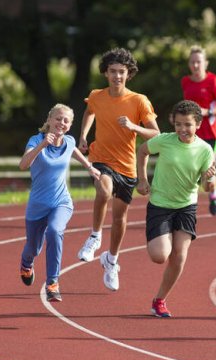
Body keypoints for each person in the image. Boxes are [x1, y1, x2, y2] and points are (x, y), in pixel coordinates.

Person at [76, 47, 160, 292]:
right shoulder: (97, 96)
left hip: (127, 166)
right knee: (103, 190)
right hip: (101, 158)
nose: (117, 76)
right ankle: (94, 236)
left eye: (121, 72)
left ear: (128, 74)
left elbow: (155, 132)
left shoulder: (138, 101)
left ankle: (111, 260)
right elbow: (89, 111)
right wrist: (83, 135)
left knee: (120, 217)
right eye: (112, 72)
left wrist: (134, 126)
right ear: (106, 73)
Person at [136, 100, 216, 317]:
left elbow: (206, 186)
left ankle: (159, 300)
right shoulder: (164, 140)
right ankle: (163, 239)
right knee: (160, 256)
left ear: (198, 124)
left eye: (187, 124)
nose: (182, 129)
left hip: (186, 207)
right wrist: (142, 180)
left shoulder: (205, 150)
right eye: (178, 124)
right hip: (160, 204)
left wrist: (209, 180)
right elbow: (142, 151)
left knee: (179, 256)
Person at [19, 104, 100, 302]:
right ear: (49, 120)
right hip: (38, 204)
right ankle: (26, 264)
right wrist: (42, 145)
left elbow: (74, 151)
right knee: (33, 248)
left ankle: (52, 283)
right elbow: (23, 165)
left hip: (61, 201)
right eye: (58, 119)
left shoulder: (70, 141)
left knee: (55, 231)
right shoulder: (36, 140)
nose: (61, 123)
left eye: (66, 121)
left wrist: (90, 167)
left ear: (70, 125)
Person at [181, 45, 216, 216]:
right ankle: (186, 206)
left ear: (205, 63)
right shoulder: (185, 82)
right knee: (187, 169)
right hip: (190, 134)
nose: (195, 65)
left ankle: (213, 195)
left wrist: (207, 111)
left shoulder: (213, 81)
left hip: (209, 134)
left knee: (208, 172)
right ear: (189, 64)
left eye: (198, 62)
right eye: (192, 62)